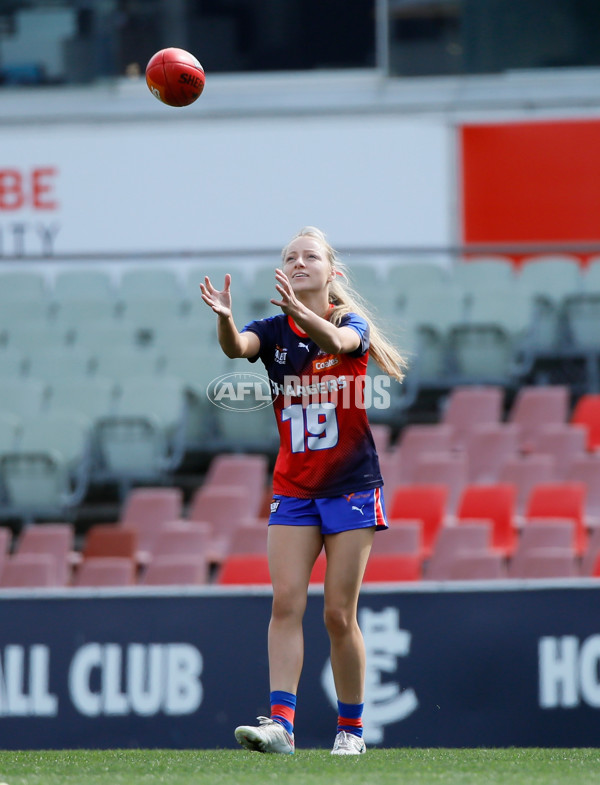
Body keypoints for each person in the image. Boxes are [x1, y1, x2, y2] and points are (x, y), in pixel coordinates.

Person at [200, 226, 405, 756]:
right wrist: (224, 320)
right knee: (285, 603)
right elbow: (237, 348)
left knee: (339, 613)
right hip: (293, 489)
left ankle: (351, 731)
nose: (297, 261)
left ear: (331, 271)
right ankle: (283, 725)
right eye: (289, 256)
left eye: (309, 255)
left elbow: (338, 343)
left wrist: (305, 312)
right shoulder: (271, 330)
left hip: (351, 487)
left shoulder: (346, 322)